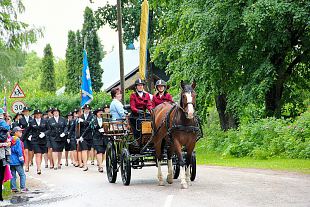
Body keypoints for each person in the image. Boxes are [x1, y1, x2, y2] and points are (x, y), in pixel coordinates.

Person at [23, 110, 48, 174]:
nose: (38, 115)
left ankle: (39, 166)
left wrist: (44, 133)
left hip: (43, 140)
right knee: (38, 153)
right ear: (35, 115)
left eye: (39, 114)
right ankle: (39, 168)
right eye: (36, 114)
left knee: (41, 154)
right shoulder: (31, 122)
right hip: (35, 140)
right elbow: (27, 131)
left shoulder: (45, 121)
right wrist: (22, 139)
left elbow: (49, 130)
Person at [129, 78, 153, 145]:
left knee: (152, 119)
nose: (140, 86)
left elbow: (149, 104)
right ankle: (138, 139)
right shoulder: (133, 95)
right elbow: (132, 107)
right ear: (136, 87)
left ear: (143, 86)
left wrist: (151, 110)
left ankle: (150, 137)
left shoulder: (147, 95)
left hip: (144, 114)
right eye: (138, 85)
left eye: (141, 85)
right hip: (135, 115)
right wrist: (137, 111)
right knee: (139, 122)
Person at [10, 126, 27, 192]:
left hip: (11, 160)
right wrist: (22, 160)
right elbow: (19, 151)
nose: (21, 133)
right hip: (17, 160)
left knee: (13, 175)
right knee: (22, 174)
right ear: (15, 132)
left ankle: (13, 188)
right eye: (20, 131)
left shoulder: (10, 139)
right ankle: (23, 187)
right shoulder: (17, 140)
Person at [76, 104, 93, 171]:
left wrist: (84, 121)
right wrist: (77, 137)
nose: (86, 110)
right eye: (85, 109)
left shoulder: (92, 116)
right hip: (82, 136)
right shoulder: (81, 116)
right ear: (83, 110)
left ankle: (85, 161)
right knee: (84, 149)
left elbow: (91, 123)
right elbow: (77, 128)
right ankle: (85, 165)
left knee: (88, 150)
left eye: (88, 109)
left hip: (89, 135)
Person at [91, 108, 108, 173]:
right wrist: (81, 137)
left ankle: (100, 163)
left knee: (103, 152)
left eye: (101, 112)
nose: (100, 113)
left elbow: (109, 128)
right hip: (97, 138)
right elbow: (88, 129)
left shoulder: (106, 120)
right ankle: (100, 166)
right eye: (99, 112)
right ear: (96, 114)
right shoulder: (93, 121)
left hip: (104, 138)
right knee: (99, 151)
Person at [0, 108, 12, 200]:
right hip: (1, 152)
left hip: (3, 153)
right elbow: (7, 127)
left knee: (1, 173)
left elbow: (9, 139)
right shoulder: (3, 123)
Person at [18, 106, 33, 172]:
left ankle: (29, 162)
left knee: (30, 151)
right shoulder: (21, 120)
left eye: (27, 111)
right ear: (23, 112)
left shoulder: (32, 119)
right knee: (25, 151)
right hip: (24, 137)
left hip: (31, 136)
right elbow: (19, 128)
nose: (26, 112)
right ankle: (26, 165)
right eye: (25, 111)